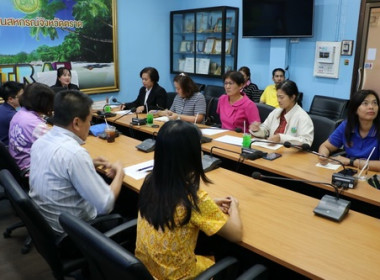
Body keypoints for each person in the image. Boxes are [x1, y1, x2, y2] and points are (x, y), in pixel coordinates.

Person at [135, 120, 242, 279]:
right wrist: (235, 208)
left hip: (146, 272)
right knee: (237, 259)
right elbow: (236, 234)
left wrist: (210, 204)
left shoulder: (151, 181)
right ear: (190, 154)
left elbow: (176, 205)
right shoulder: (193, 199)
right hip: (181, 276)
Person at [29, 90, 125, 234]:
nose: (90, 125)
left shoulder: (40, 142)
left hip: (47, 225)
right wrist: (120, 174)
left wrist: (89, 163)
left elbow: (59, 168)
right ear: (77, 122)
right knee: (128, 204)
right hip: (76, 234)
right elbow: (106, 205)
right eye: (89, 120)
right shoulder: (74, 153)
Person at [318, 90, 380, 171]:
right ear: (355, 109)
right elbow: (325, 146)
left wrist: (351, 162)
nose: (371, 107)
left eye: (375, 103)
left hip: (371, 175)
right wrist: (323, 155)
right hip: (349, 171)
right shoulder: (347, 125)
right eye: (365, 103)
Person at [250, 80, 314, 146]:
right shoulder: (276, 112)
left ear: (292, 97)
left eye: (281, 97)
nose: (278, 100)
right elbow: (265, 130)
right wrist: (257, 130)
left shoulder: (303, 117)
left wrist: (281, 138)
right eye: (277, 96)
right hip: (272, 149)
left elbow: (306, 141)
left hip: (290, 153)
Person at [8, 83, 54, 172]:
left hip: (20, 166)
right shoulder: (35, 124)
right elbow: (60, 147)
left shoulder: (19, 114)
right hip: (33, 171)